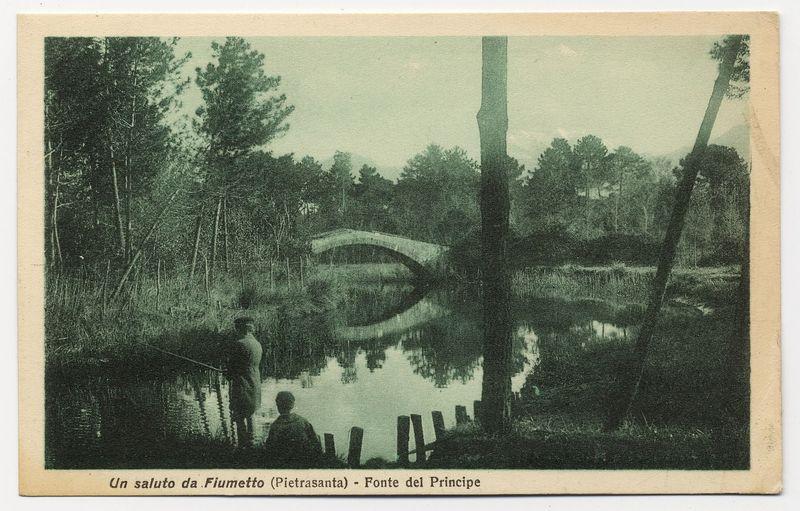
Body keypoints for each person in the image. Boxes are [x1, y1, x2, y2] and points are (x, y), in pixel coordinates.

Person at [227, 316, 263, 447]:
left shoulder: (239, 344)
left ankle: (242, 445)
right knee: (251, 414)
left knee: (239, 416)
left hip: (242, 385)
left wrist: (228, 373)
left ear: (240, 329)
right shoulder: (257, 344)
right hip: (255, 382)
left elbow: (232, 368)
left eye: (237, 328)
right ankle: (252, 443)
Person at [263, 391, 322, 467]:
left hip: (285, 462)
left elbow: (270, 448)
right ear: (292, 405)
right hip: (304, 459)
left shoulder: (275, 426)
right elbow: (315, 441)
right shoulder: (303, 421)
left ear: (277, 405)